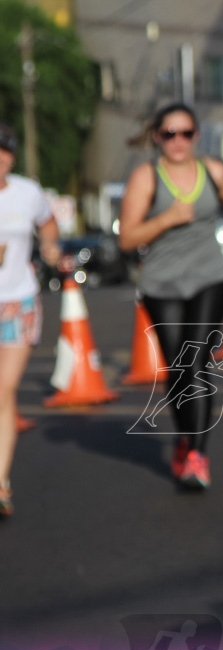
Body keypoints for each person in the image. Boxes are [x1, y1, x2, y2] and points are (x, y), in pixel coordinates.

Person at [118, 103, 223, 490]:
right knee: (178, 371)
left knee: (196, 363)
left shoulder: (215, 171)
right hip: (162, 283)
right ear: (157, 137)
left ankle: (197, 455)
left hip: (209, 277)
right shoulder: (146, 178)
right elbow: (127, 237)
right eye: (170, 134)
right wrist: (167, 219)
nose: (178, 141)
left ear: (196, 136)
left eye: (186, 133)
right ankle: (184, 440)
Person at [0, 123, 61, 517]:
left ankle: (0, 482)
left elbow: (48, 222)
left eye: (4, 151)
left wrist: (52, 246)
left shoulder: (27, 192)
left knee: (3, 389)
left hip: (18, 302)